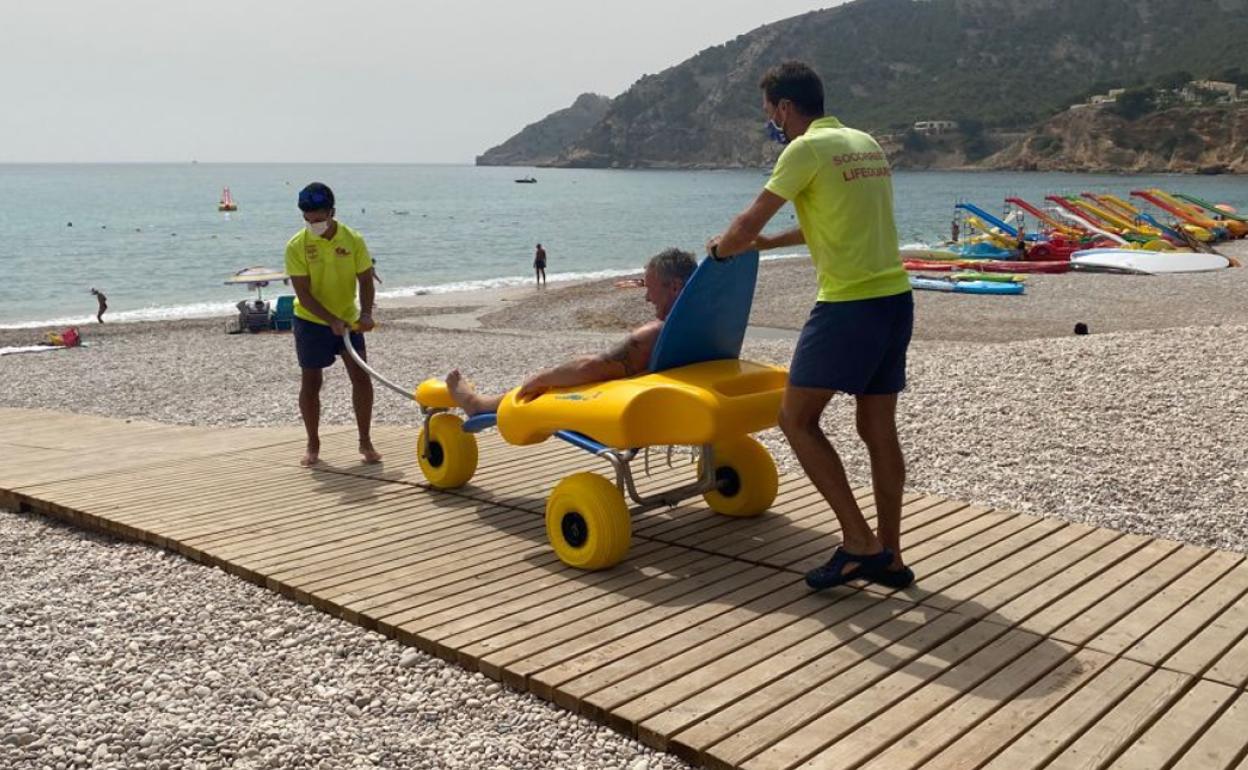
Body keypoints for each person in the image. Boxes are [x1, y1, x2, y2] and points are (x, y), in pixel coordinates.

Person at [706, 61, 915, 591]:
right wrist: (773, 246)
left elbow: (749, 220)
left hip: (848, 304)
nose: (771, 123)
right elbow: (837, 216)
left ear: (783, 108)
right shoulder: (864, 143)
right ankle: (889, 555)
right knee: (876, 428)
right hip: (894, 299)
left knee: (795, 419)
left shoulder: (802, 149)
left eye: (769, 112)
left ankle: (857, 543)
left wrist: (720, 251)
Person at [447, 249, 695, 414]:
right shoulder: (701, 322)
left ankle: (478, 406)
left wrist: (542, 378)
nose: (647, 298)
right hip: (679, 393)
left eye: (650, 288)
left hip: (628, 405)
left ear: (674, 287)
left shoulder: (655, 333)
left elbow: (592, 368)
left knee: (546, 387)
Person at [285, 182, 382, 467]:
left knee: (361, 378)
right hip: (311, 320)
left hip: (349, 319)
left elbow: (365, 279)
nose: (314, 223)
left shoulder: (353, 240)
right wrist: (330, 320)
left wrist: (365, 314)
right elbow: (303, 292)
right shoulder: (296, 245)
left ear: (332, 212)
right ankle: (313, 443)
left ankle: (365, 441)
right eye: (308, 219)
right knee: (311, 381)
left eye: (319, 218)